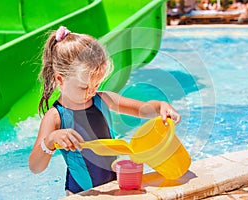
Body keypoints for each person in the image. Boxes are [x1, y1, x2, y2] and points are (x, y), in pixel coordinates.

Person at [28, 26, 181, 195]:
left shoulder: (103, 100)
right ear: (60, 79)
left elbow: (143, 110)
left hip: (115, 187)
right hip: (81, 193)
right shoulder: (55, 117)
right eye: (84, 87)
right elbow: (35, 167)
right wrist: (50, 140)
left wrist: (160, 106)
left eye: (96, 85)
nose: (91, 91)